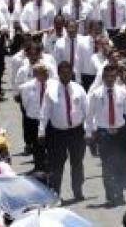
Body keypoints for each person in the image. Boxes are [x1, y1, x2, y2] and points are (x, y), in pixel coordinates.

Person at [39, 60, 88, 200]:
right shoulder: (51, 91)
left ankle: (78, 190)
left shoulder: (79, 89)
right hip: (58, 133)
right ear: (59, 73)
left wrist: (89, 130)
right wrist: (41, 131)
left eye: (68, 73)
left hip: (77, 131)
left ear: (72, 73)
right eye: (63, 73)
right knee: (57, 165)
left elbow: (86, 110)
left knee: (77, 163)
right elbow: (44, 112)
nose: (66, 75)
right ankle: (55, 192)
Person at [86, 64, 126, 207]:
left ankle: (120, 193)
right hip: (104, 133)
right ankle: (111, 194)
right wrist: (89, 133)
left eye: (113, 76)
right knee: (107, 166)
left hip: (120, 133)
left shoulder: (123, 91)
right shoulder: (96, 93)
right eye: (108, 77)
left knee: (121, 164)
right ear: (103, 77)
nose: (111, 79)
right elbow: (89, 115)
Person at [18, 63, 50, 171]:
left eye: (46, 72)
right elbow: (25, 104)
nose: (46, 74)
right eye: (43, 72)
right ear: (36, 74)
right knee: (37, 145)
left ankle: (50, 164)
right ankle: (38, 166)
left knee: (50, 144)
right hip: (34, 118)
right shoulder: (27, 87)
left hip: (49, 120)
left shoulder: (53, 85)